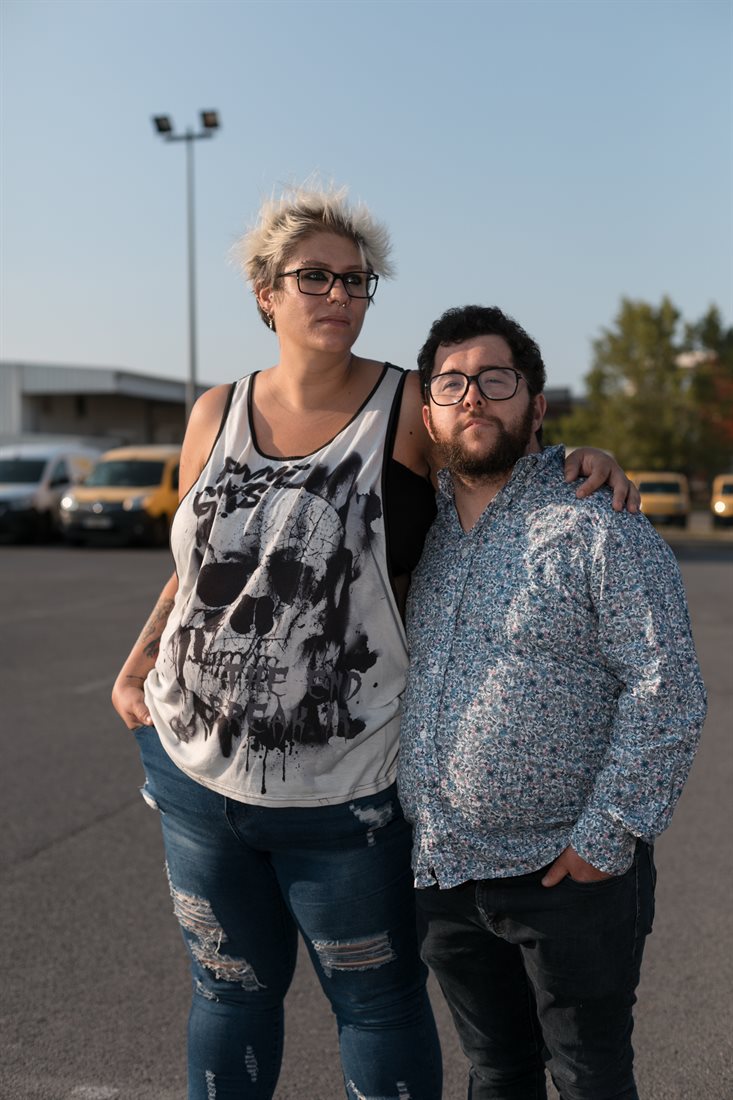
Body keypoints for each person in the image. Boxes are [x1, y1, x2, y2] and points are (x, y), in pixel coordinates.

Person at [111, 186, 638, 1100]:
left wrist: (578, 460)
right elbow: (199, 563)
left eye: (356, 280)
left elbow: (489, 444)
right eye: (313, 276)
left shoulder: (405, 407)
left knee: (377, 1001)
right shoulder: (212, 413)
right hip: (194, 774)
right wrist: (136, 663)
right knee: (228, 992)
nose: (338, 294)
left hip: (346, 787)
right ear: (264, 293)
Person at [397, 304, 708, 1100]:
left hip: (567, 879)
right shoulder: (407, 533)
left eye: (496, 380)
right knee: (495, 1073)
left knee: (588, 1075)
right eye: (450, 382)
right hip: (445, 873)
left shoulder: (599, 527)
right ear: (428, 412)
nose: (473, 397)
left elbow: (665, 687)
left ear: (535, 407)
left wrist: (606, 839)